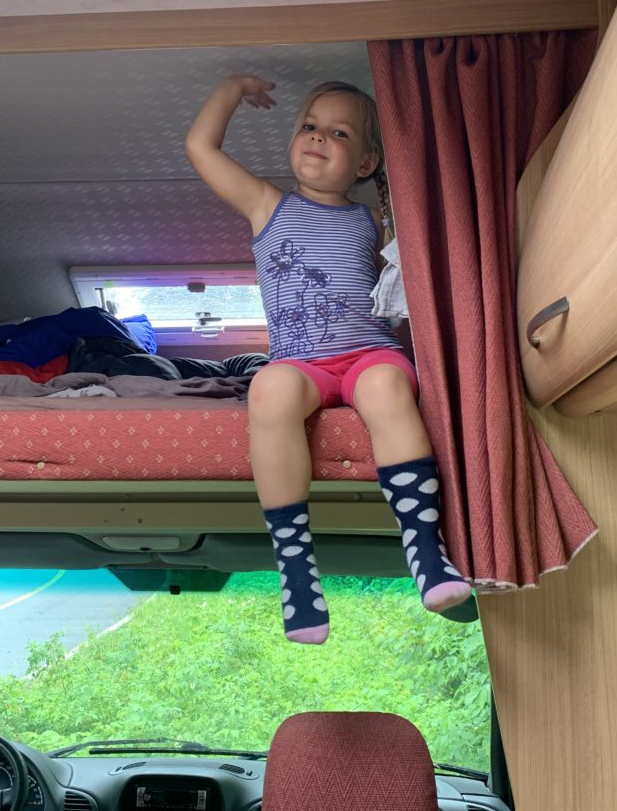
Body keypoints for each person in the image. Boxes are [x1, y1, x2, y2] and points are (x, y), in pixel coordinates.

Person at [185, 74, 471, 644]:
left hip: (369, 353)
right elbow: (200, 147)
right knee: (268, 387)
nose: (318, 137)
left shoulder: (373, 221)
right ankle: (296, 569)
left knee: (387, 387)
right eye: (310, 126)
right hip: (302, 364)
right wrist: (233, 88)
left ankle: (425, 550)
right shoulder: (268, 205)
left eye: (339, 133)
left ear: (365, 163)